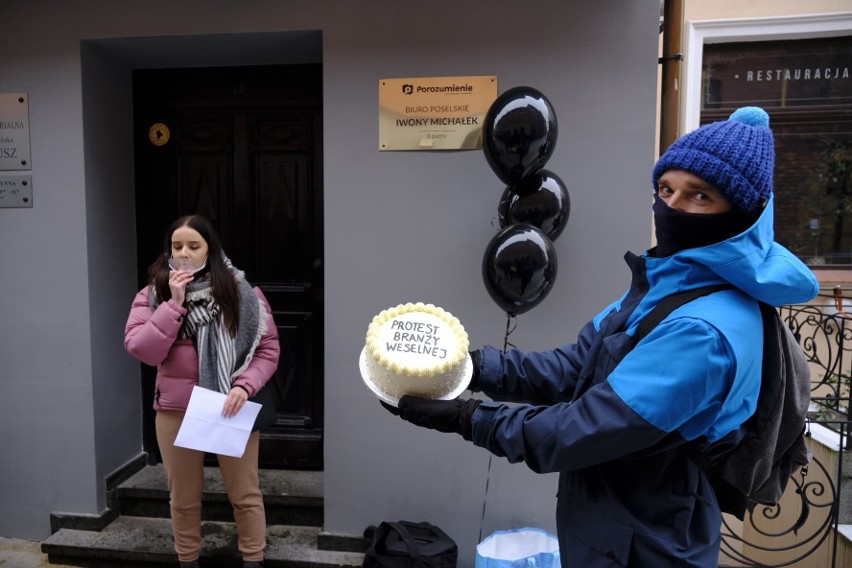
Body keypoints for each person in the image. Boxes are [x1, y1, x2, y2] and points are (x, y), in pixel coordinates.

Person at [383, 107, 820, 567]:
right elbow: (575, 366)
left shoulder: (706, 330)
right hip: (606, 528)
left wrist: (468, 419)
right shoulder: (668, 281)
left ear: (741, 213)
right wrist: (469, 366)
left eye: (700, 196)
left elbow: (582, 429)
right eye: (666, 189)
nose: (671, 207)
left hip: (647, 546)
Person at [125, 214, 279, 568]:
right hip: (176, 411)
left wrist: (244, 385)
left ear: (210, 249)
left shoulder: (241, 292)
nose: (184, 253)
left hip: (229, 407)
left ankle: (253, 560)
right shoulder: (153, 294)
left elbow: (268, 351)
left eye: (194, 246)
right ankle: (188, 561)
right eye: (177, 246)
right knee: (183, 498)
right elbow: (142, 350)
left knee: (244, 494)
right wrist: (174, 304)